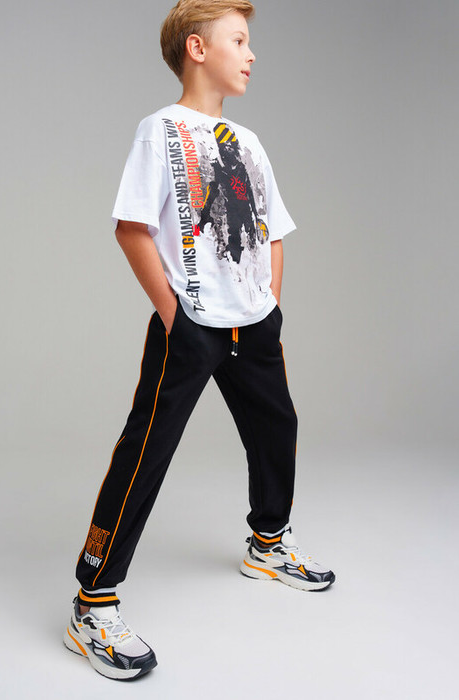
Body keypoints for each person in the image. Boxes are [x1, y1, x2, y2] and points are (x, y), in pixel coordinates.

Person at [63, 0, 335, 681]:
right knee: (146, 450)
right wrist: (173, 315)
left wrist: (269, 306)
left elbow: (272, 230)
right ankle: (93, 601)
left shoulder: (249, 141)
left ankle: (268, 542)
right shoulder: (159, 131)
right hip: (191, 324)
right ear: (197, 48)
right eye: (238, 40)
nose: (251, 54)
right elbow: (131, 227)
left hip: (252, 321)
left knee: (276, 426)